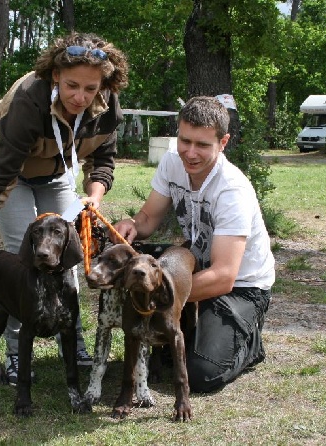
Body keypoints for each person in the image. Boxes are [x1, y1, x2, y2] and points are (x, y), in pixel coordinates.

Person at [0, 32, 129, 385]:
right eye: (72, 86)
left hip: (57, 170)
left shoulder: (107, 106)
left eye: (90, 88)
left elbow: (103, 162)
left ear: (103, 84)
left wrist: (94, 198)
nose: (80, 97)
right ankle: (17, 353)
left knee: (68, 254)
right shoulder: (29, 100)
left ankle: (73, 343)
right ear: (55, 75)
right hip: (14, 170)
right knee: (26, 257)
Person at [113, 96, 275, 393]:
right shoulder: (172, 162)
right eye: (185, 141)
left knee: (201, 374)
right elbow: (148, 217)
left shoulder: (232, 190)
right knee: (137, 265)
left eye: (202, 145)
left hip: (241, 287)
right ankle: (186, 323)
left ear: (223, 142)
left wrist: (159, 296)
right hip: (194, 270)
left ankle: (251, 342)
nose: (190, 152)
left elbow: (225, 276)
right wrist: (131, 226)